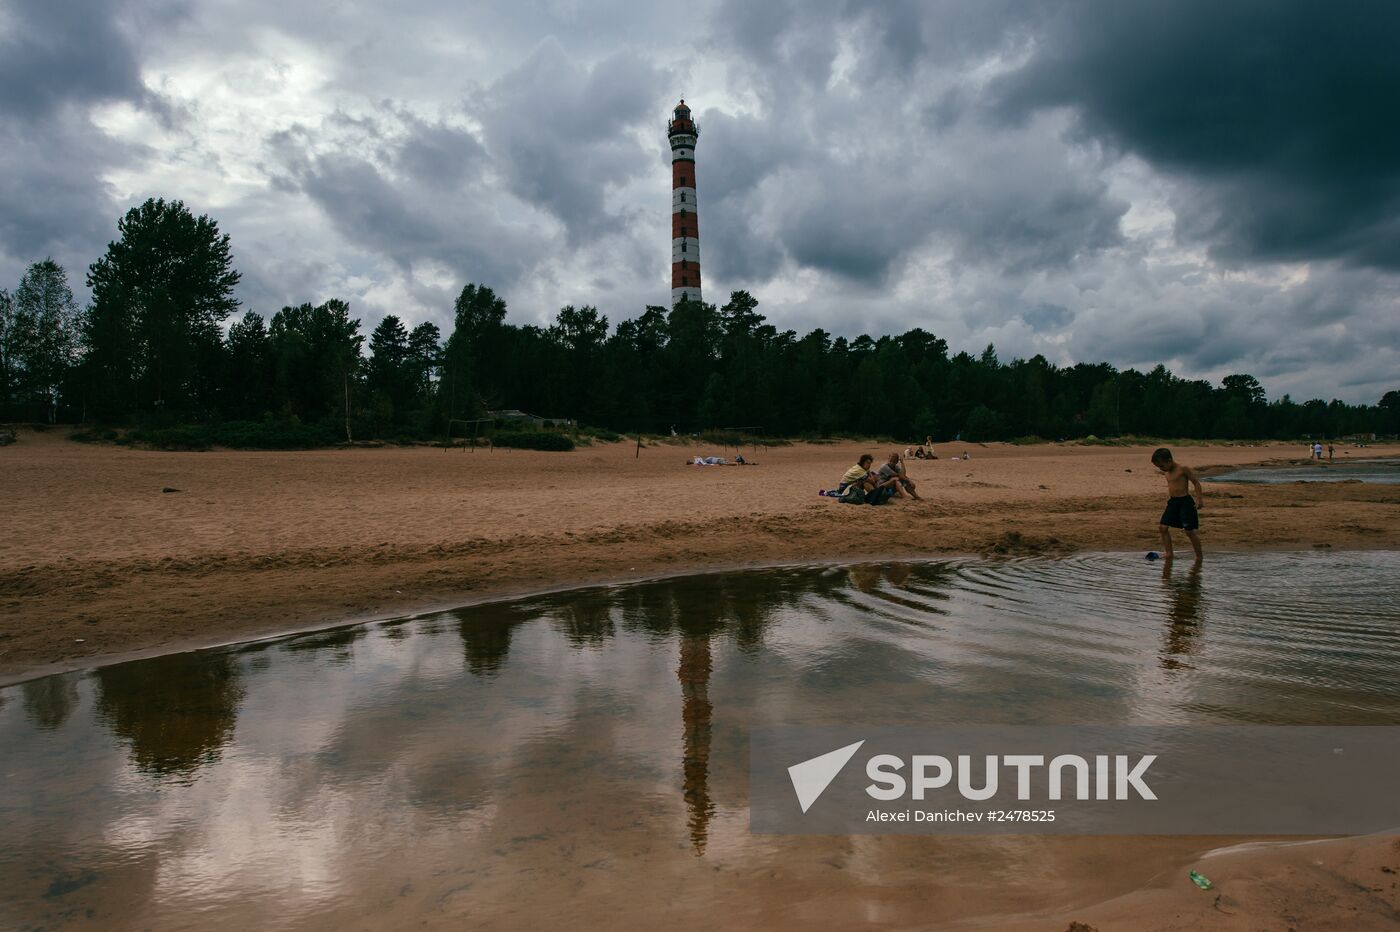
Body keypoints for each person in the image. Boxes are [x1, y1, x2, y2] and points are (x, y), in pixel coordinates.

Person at [1151, 447, 1203, 563]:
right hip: (1173, 502)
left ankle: (1199, 557)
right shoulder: (1167, 472)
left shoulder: (1182, 469)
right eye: (1159, 467)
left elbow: (1196, 482)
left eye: (1162, 466)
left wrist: (1199, 499)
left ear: (1169, 460)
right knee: (1163, 527)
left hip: (1185, 502)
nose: (1161, 469)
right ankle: (1169, 553)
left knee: (1189, 531)